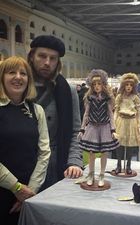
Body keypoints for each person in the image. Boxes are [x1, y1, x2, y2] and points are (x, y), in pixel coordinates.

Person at [28, 35, 83, 190]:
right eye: (42, 56)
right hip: (21, 163)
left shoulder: (68, 91)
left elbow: (75, 131)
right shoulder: (18, 88)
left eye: (53, 58)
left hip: (54, 167)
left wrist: (74, 162)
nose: (47, 63)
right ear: (32, 56)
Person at [0, 56, 50, 224]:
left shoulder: (37, 111)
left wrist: (30, 191)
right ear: (2, 77)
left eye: (23, 73)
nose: (18, 77)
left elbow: (44, 153)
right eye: (11, 72)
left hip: (29, 194)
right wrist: (16, 187)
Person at [78, 69, 119, 187]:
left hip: (105, 127)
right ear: (91, 85)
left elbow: (111, 115)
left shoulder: (107, 98)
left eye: (99, 84)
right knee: (91, 152)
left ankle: (102, 175)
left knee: (104, 152)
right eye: (94, 84)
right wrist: (82, 129)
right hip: (92, 127)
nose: (96, 86)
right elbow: (86, 114)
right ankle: (91, 174)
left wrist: (113, 130)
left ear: (103, 84)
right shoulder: (89, 98)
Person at [113, 73, 140, 175]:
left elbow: (138, 112)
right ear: (123, 85)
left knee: (130, 145)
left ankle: (129, 165)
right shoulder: (119, 97)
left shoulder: (135, 97)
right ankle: (118, 165)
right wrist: (113, 123)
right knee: (119, 144)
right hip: (121, 120)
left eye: (131, 85)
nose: (129, 87)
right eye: (127, 85)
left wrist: (139, 124)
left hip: (131, 121)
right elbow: (116, 111)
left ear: (133, 86)